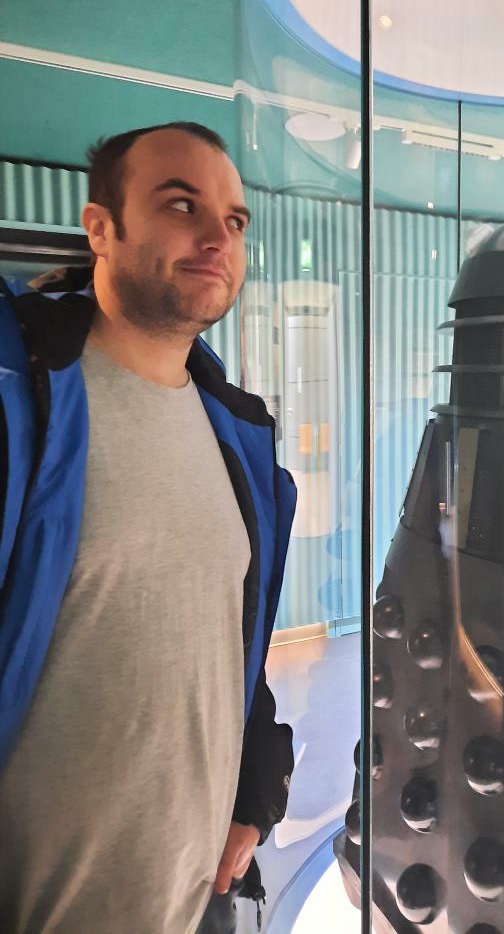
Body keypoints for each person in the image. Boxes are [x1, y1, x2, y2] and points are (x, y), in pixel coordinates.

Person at [0, 122, 297, 933]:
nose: (217, 238)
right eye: (180, 205)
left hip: (197, 901)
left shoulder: (238, 432)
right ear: (102, 228)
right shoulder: (24, 405)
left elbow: (227, 633)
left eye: (234, 220)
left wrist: (255, 784)